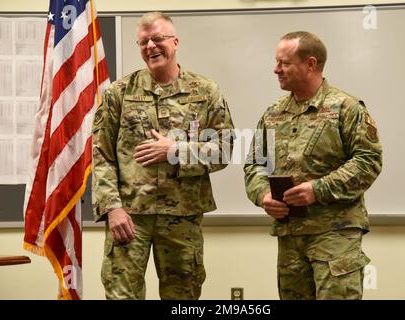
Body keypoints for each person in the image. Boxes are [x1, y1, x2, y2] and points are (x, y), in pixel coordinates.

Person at [92, 12, 234, 300]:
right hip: (130, 216)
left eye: (158, 39)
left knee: (183, 298)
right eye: (143, 42)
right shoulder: (119, 93)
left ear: (175, 42)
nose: (151, 47)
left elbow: (226, 148)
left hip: (182, 216)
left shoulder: (205, 91)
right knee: (122, 296)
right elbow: (101, 154)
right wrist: (112, 208)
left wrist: (175, 151)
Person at [244, 31, 382, 300]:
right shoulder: (273, 113)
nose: (276, 69)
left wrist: (317, 189)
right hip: (290, 235)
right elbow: (255, 164)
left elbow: (368, 161)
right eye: (277, 62)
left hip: (335, 234)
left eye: (284, 63)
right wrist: (263, 196)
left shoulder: (346, 108)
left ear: (310, 63)